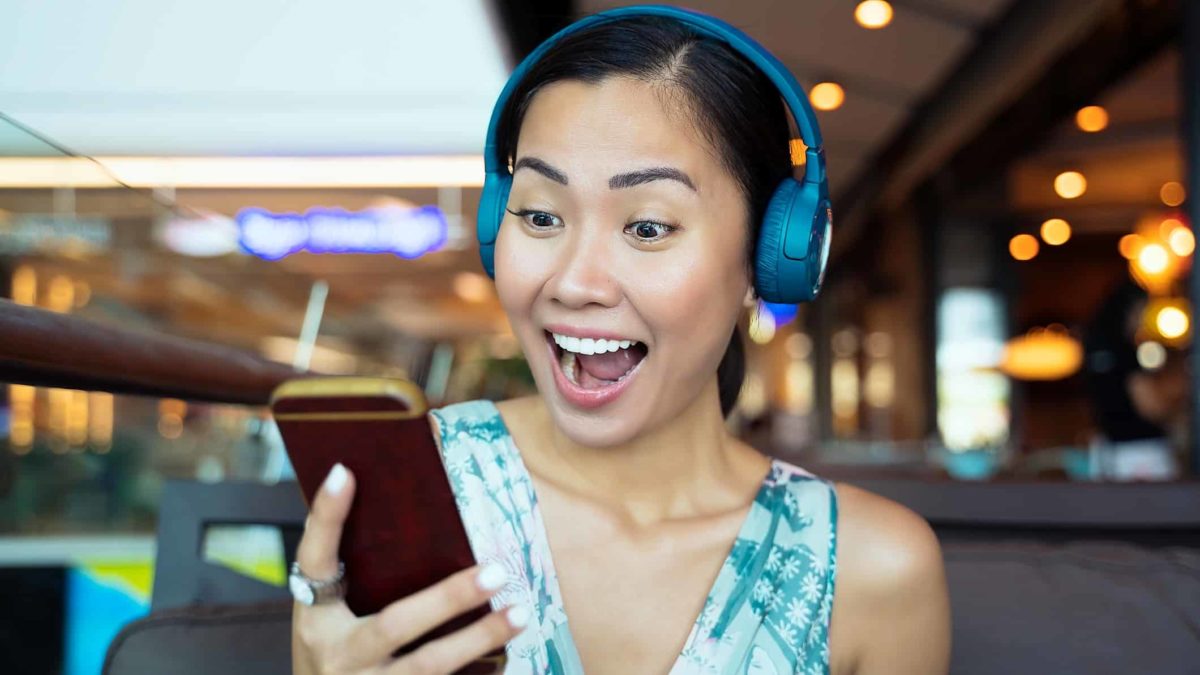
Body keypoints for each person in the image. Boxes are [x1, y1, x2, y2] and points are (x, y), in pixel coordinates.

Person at [290, 7, 950, 674]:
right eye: (542, 215)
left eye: (648, 227)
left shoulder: (870, 568)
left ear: (767, 260)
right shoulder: (405, 491)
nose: (575, 282)